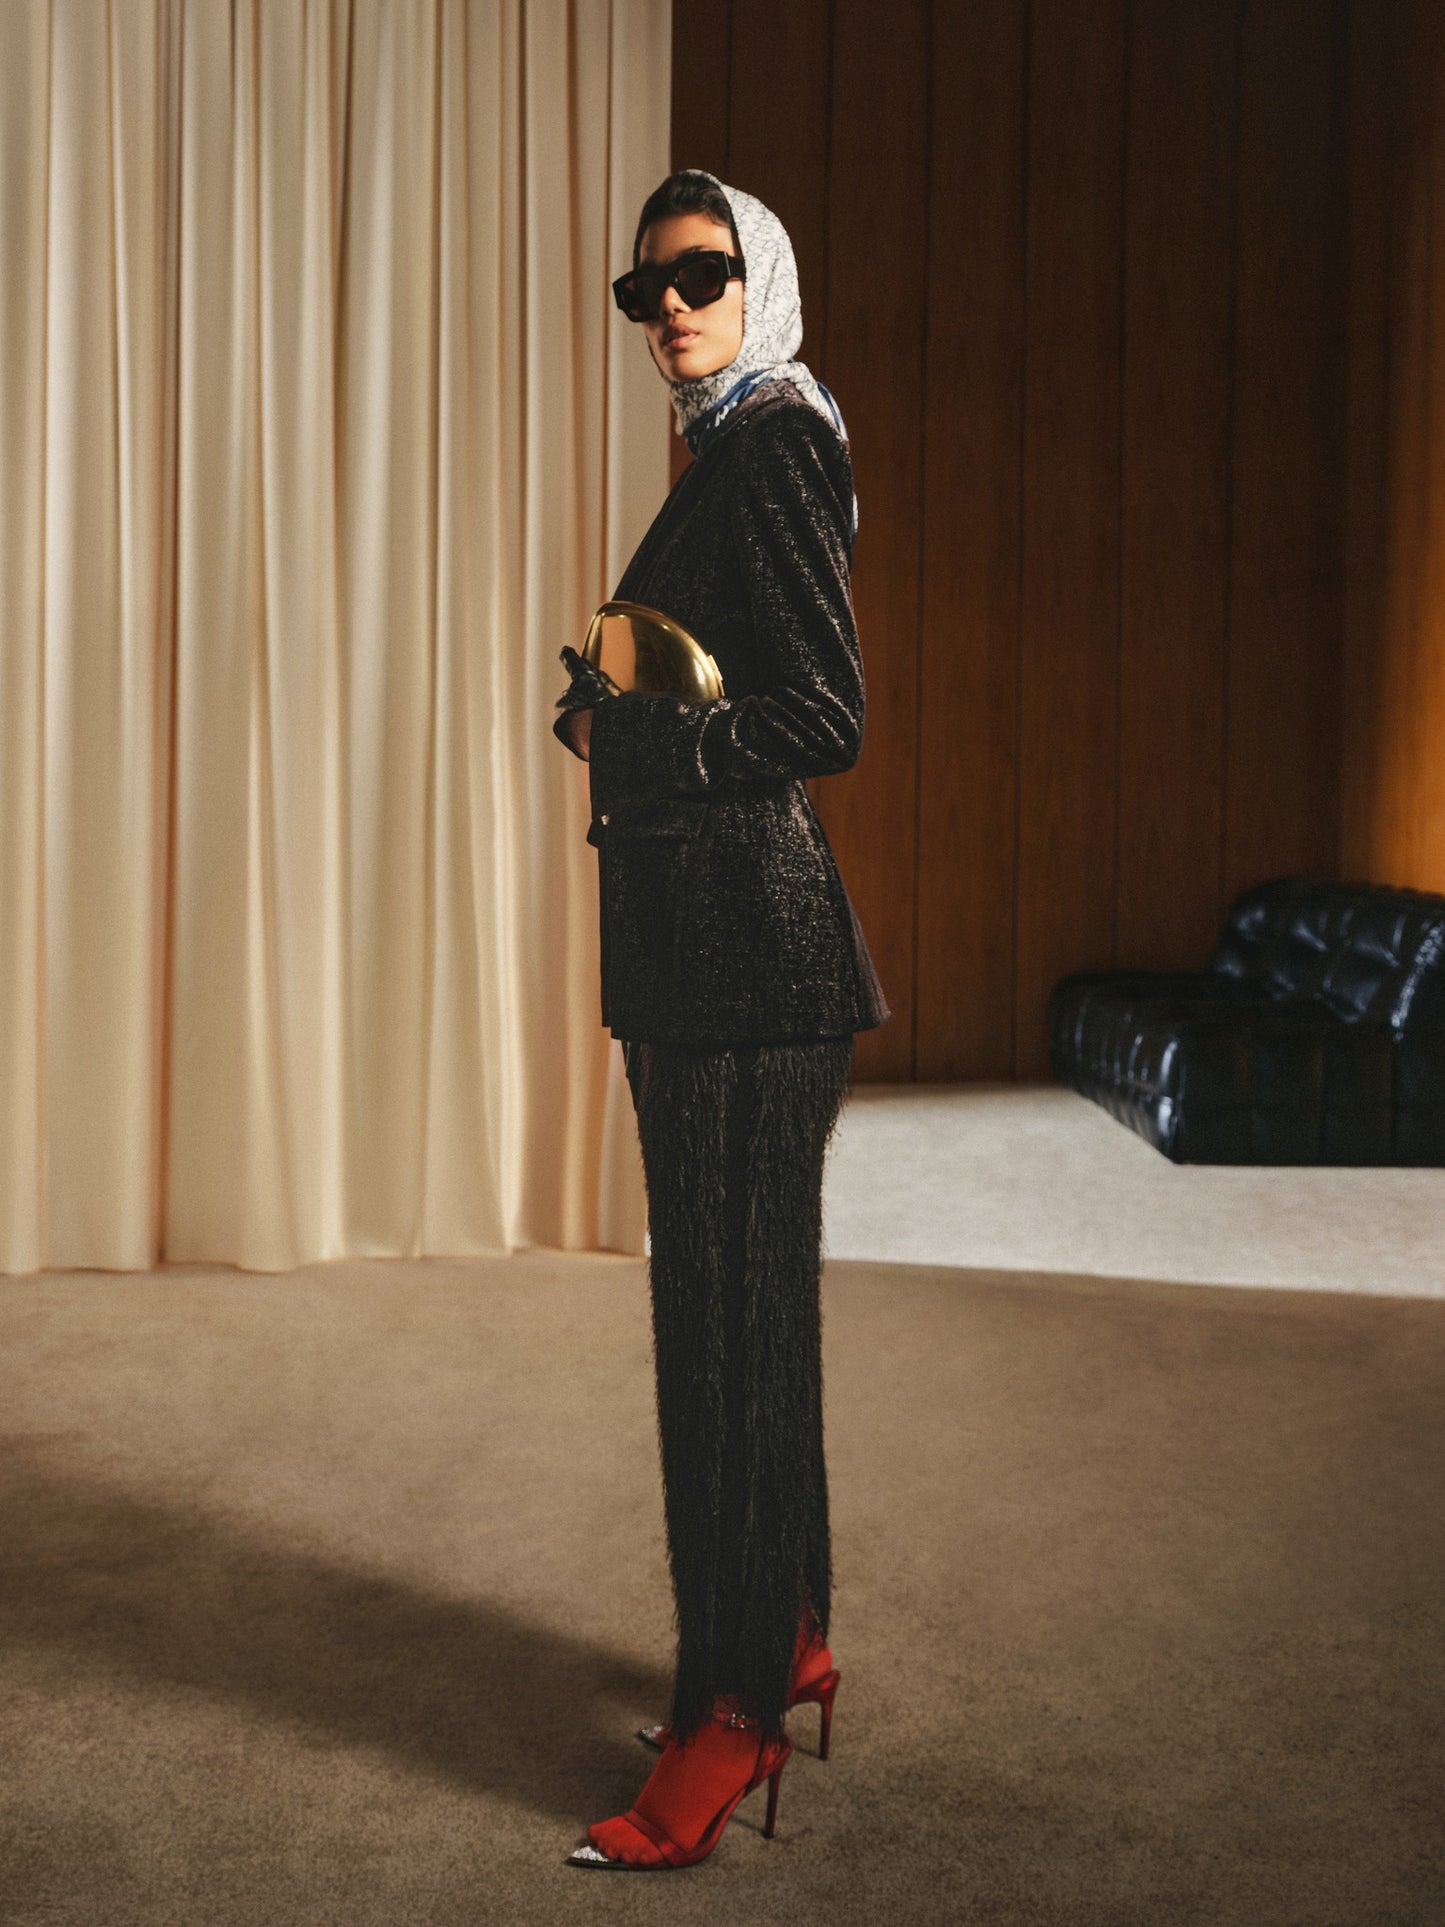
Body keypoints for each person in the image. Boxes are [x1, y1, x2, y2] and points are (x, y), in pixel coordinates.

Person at [552, 169, 890, 1872]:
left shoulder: (773, 445)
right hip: (718, 960)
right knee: (751, 1333)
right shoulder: (735, 438)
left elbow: (823, 711)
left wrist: (646, 745)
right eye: (644, 291)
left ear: (760, 275)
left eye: (698, 274)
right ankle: (792, 1638)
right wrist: (611, 701)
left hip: (744, 967)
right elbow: (720, 669)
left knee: (720, 1352)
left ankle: (730, 1716)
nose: (669, 306)